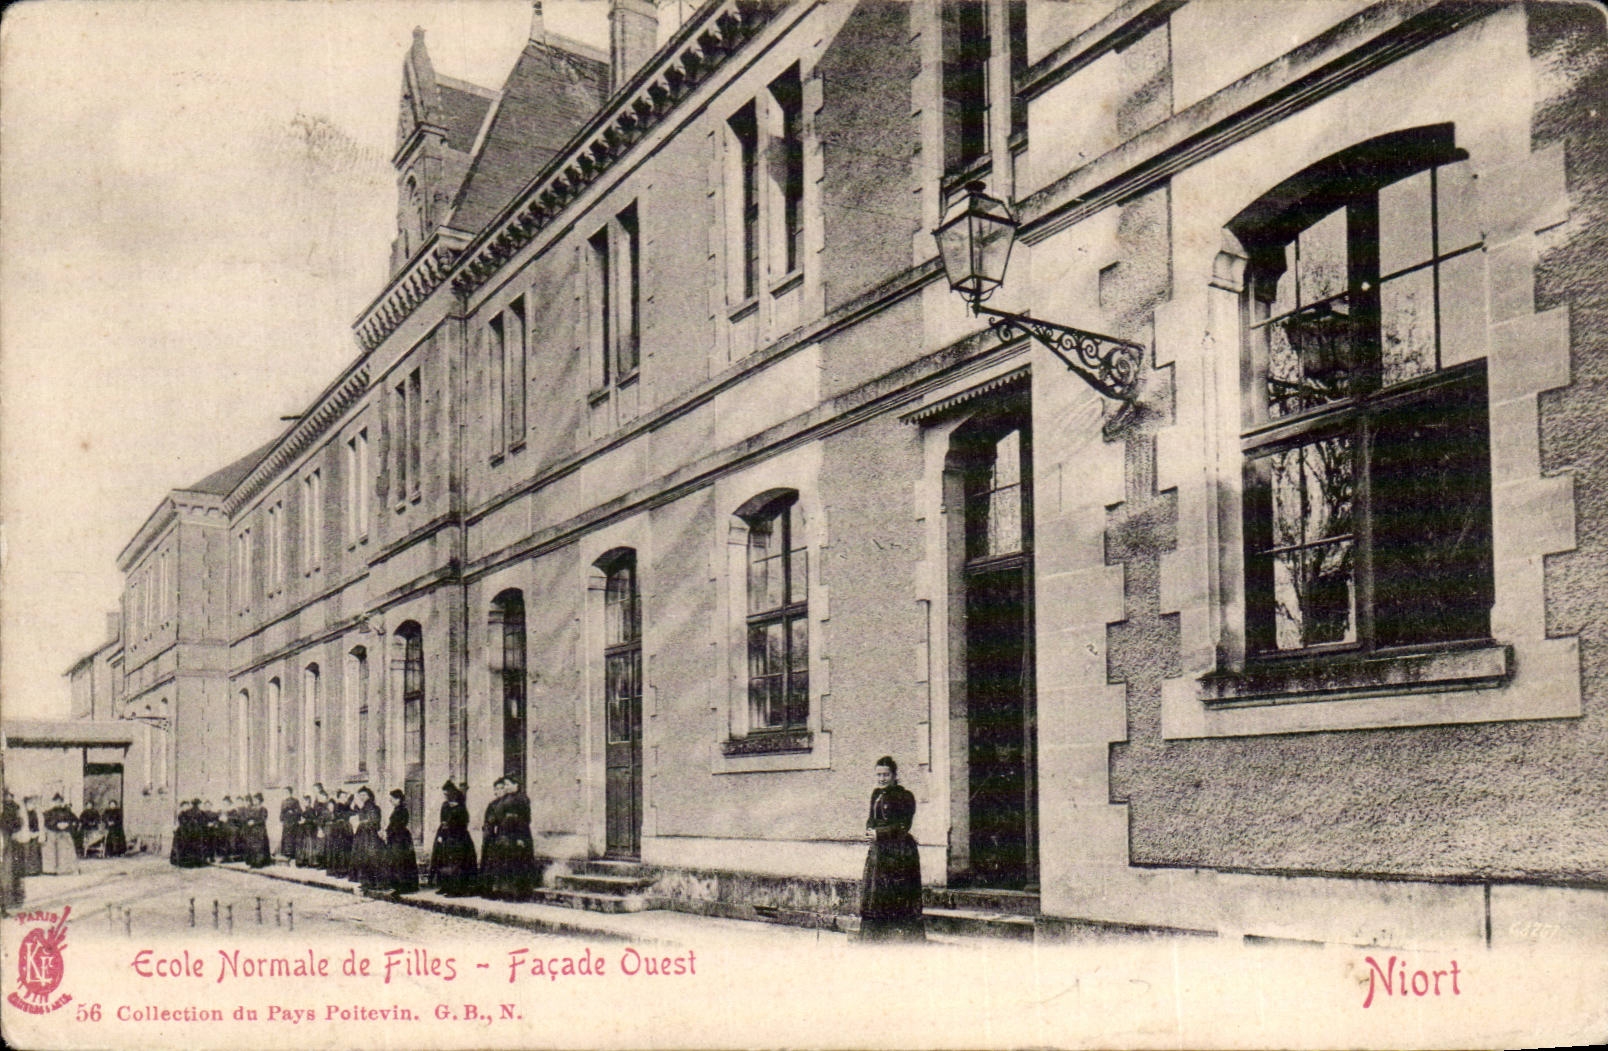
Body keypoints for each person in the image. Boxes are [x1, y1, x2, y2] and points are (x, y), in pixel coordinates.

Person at [858, 756, 925, 943]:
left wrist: (880, 834)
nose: (882, 778)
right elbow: (871, 818)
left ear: (895, 775)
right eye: (879, 774)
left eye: (886, 774)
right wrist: (869, 831)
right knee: (876, 895)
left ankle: (899, 939)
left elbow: (904, 825)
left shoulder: (904, 796)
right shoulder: (876, 794)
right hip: (879, 853)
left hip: (899, 853)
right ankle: (876, 938)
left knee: (896, 894)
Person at [484, 776, 539, 901]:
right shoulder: (505, 799)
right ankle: (506, 892)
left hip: (519, 835)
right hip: (506, 835)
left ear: (516, 785)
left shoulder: (522, 799)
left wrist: (520, 838)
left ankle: (519, 894)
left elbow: (525, 820)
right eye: (505, 785)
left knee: (518, 864)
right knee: (507, 865)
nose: (506, 787)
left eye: (508, 785)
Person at [430, 780, 478, 897]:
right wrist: (441, 834)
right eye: (444, 794)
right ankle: (445, 886)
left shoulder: (461, 808)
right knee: (443, 860)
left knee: (456, 863)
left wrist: (451, 827)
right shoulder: (445, 806)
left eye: (447, 794)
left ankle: (456, 889)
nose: (445, 796)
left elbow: (463, 824)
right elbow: (443, 821)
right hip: (446, 836)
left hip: (458, 838)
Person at [349, 788, 386, 889]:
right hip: (364, 836)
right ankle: (367, 882)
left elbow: (373, 821)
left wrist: (361, 823)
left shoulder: (372, 807)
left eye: (364, 795)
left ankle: (371, 882)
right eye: (360, 795)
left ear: (369, 795)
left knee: (369, 858)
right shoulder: (364, 807)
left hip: (370, 836)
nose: (362, 797)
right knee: (365, 858)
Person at [385, 789, 419, 895]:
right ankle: (397, 885)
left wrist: (389, 832)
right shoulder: (397, 809)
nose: (391, 801)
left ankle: (404, 886)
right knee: (396, 861)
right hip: (397, 837)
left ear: (398, 799)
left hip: (400, 839)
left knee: (401, 861)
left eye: (393, 799)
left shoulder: (402, 810)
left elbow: (398, 825)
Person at [41, 795, 81, 875]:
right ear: (53, 802)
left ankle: (68, 869)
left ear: (62, 802)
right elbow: (46, 823)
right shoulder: (49, 812)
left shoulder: (67, 811)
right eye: (56, 801)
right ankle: (51, 870)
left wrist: (67, 825)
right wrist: (56, 825)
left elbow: (76, 821)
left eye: (60, 801)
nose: (58, 803)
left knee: (67, 850)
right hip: (53, 833)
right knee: (51, 851)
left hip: (65, 834)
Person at [2, 789, 23, 908]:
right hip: (5, 838)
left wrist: (14, 830)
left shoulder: (13, 807)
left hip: (8, 838)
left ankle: (9, 901)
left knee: (9, 870)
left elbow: (19, 822)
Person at [326, 789, 354, 878]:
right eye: (342, 797)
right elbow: (343, 815)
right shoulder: (338, 806)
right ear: (338, 798)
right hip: (339, 830)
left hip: (344, 830)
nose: (344, 798)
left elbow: (350, 812)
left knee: (345, 849)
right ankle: (339, 871)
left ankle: (343, 870)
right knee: (340, 850)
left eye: (345, 797)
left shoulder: (345, 806)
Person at [244, 793, 272, 868]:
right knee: (252, 846)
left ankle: (259, 862)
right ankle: (253, 862)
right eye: (254, 800)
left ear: (260, 800)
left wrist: (254, 822)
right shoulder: (252, 808)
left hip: (260, 830)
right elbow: (248, 817)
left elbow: (263, 819)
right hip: (252, 830)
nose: (255, 801)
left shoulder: (263, 809)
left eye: (256, 799)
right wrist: (249, 821)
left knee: (259, 846)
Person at [20, 796, 44, 877]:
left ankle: (34, 870)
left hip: (35, 833)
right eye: (30, 804)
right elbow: (23, 825)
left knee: (34, 852)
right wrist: (28, 832)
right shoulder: (23, 814)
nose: (32, 805)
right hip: (26, 834)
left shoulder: (36, 813)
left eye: (33, 804)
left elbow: (39, 823)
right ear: (26, 804)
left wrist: (38, 832)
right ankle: (25, 870)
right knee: (26, 852)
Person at [278, 788, 301, 861]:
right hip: (286, 822)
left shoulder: (295, 801)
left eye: (287, 792)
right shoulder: (283, 802)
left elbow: (299, 811)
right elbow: (281, 812)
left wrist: (293, 812)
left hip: (293, 822)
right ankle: (286, 853)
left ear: (291, 793)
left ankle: (292, 854)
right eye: (285, 792)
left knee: (292, 838)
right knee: (286, 837)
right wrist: (281, 818)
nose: (286, 794)